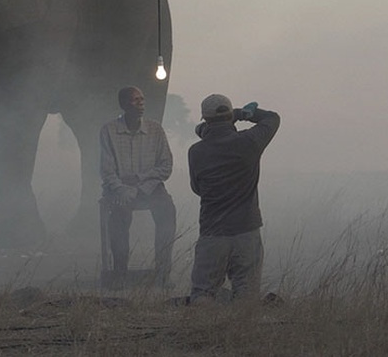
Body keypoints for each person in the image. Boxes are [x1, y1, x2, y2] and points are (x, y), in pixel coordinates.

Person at [187, 94, 280, 303]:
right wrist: (242, 114)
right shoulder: (249, 142)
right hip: (247, 230)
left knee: (203, 294)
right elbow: (273, 119)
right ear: (230, 116)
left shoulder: (196, 152)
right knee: (246, 296)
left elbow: (197, 188)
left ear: (205, 118)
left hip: (213, 232)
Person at [100, 86, 176, 287]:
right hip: (119, 189)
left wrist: (140, 182)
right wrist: (122, 189)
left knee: (167, 211)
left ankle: (163, 273)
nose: (141, 104)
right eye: (135, 100)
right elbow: (107, 171)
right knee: (118, 217)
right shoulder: (109, 130)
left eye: (142, 99)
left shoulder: (155, 129)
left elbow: (166, 166)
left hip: (149, 187)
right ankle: (120, 273)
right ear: (124, 105)